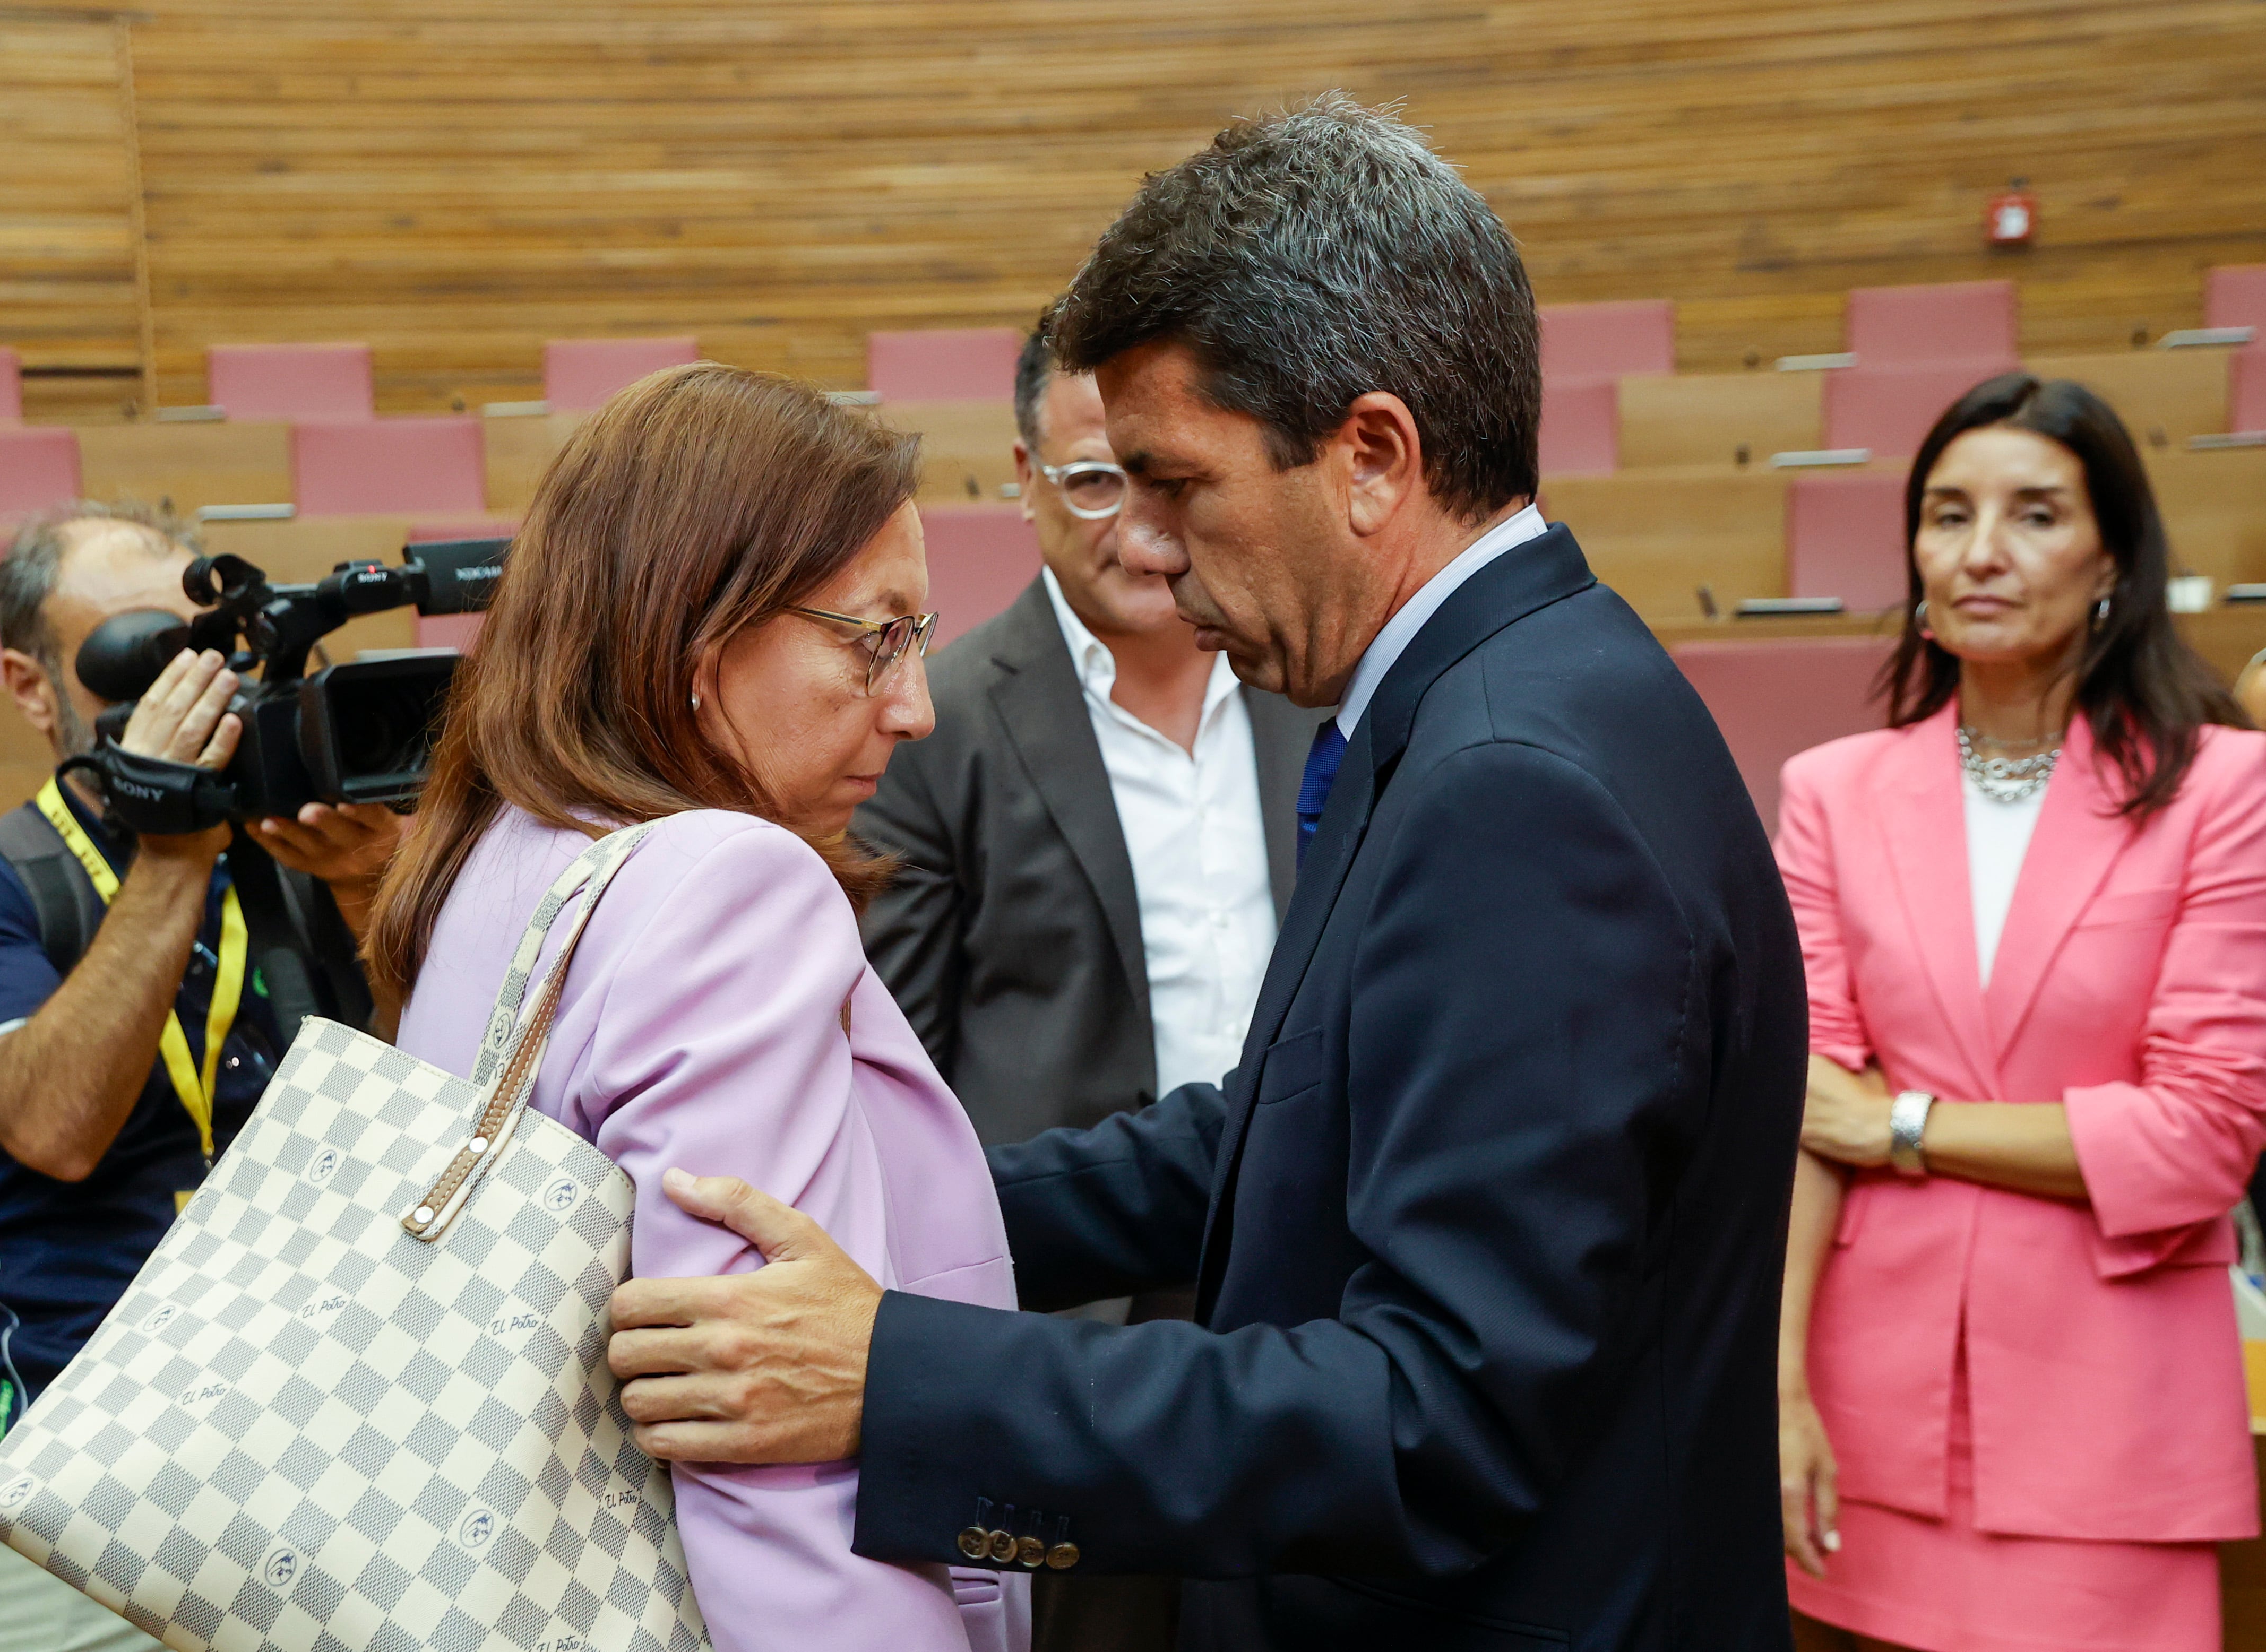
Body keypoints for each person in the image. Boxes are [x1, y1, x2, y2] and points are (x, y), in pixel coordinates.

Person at [601, 94, 1806, 1651]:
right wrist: (900, 1213)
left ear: (1370, 456)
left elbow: (1426, 1420)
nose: (1147, 553)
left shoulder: (1515, 787)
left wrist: (892, 1372)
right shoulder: (1502, 698)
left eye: (1174, 483)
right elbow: (1287, 1130)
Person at [367, 362, 1029, 1652]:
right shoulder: (733, 883)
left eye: (923, 638)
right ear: (692, 636)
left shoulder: (497, 849)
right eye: (872, 636)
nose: (915, 706)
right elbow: (772, 1449)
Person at [1774, 375, 2266, 1652]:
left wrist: (1902, 1127)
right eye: (1947, 515)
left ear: (2112, 557)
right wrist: (1776, 1396)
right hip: (1865, 1418)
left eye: (2035, 514)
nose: (1981, 552)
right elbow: (1804, 1114)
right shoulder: (1832, 791)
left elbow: (2204, 1136)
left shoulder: (2224, 788)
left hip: (2115, 1426)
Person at [855, 321, 1317, 1652]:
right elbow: (905, 1063)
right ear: (1023, 476)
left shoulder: (1306, 687)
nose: (1137, 530)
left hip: (1294, 1290)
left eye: (1160, 484)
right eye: (1092, 483)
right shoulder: (937, 721)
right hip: (1064, 1309)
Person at [0, 502, 402, 1652]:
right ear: (33, 689)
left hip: (352, 1459)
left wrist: (377, 898)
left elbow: (461, 1119)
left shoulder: (320, 857)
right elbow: (57, 1126)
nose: (194, 689)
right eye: (140, 656)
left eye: (206, 651)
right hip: (90, 1486)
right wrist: (176, 847)